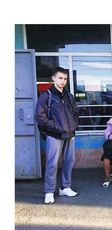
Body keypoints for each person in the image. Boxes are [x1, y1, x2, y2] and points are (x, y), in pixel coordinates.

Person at [36, 67, 79, 204]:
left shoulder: (69, 96)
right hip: (54, 134)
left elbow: (75, 113)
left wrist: (73, 127)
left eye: (65, 79)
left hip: (69, 134)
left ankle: (65, 187)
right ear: (53, 78)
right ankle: (49, 191)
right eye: (60, 78)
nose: (63, 81)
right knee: (52, 163)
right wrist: (57, 127)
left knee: (68, 162)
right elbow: (40, 116)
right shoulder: (46, 95)